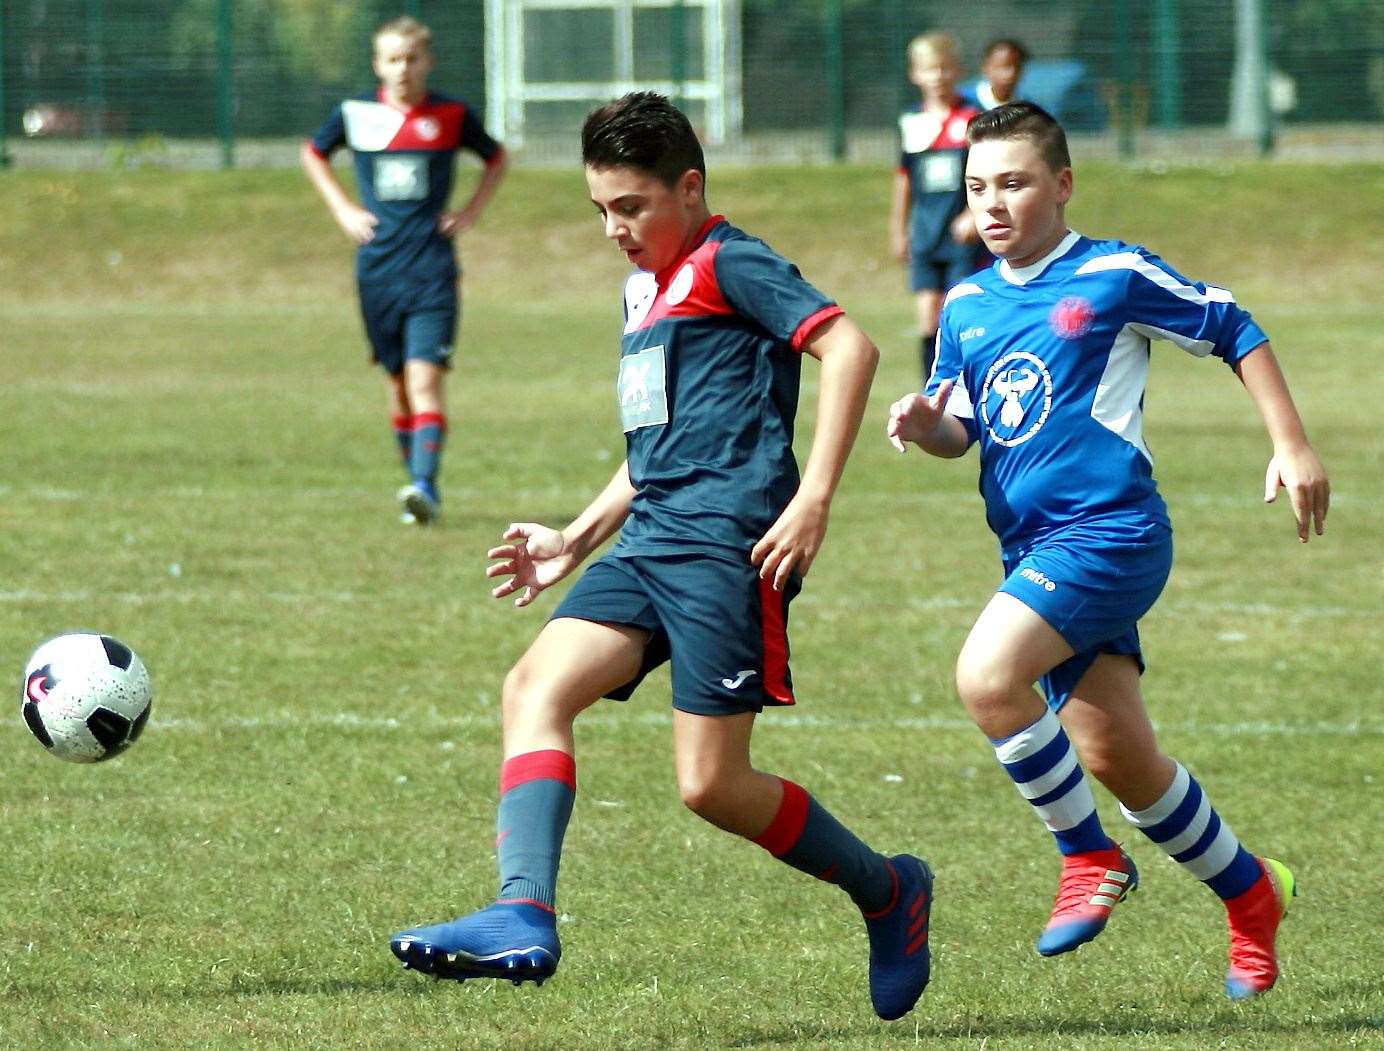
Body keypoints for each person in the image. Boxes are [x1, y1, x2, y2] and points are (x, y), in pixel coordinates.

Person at [388, 92, 934, 1022]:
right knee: (534, 688)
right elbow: (654, 447)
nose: (615, 229)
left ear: (689, 187)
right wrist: (573, 538)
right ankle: (523, 909)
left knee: (710, 784)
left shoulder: (733, 260)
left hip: (728, 546)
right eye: (601, 209)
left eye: (632, 206)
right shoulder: (642, 290)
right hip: (651, 540)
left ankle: (890, 890)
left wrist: (814, 498)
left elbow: (852, 347)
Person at [885, 101, 1329, 1000]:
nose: (993, 203)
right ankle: (1251, 894)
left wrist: (1292, 442)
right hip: (1032, 551)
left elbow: (1231, 323)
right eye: (978, 187)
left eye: (1013, 182)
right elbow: (963, 429)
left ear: (1062, 184)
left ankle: (1089, 857)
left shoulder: (1112, 273)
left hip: (1112, 532)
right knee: (1117, 756)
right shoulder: (967, 303)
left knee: (984, 676)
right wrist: (927, 423)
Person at [301, 16, 508, 525]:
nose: (403, 69)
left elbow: (497, 158)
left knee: (424, 383)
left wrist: (471, 211)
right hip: (377, 271)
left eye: (413, 58)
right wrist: (343, 210)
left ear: (428, 62)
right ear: (378, 65)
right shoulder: (356, 115)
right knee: (397, 385)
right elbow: (312, 153)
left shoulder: (453, 116)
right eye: (393, 59)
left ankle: (424, 486)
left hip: (433, 269)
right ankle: (417, 485)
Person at [890, 32, 986, 383]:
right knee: (927, 314)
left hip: (960, 236)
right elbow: (904, 180)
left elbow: (986, 171)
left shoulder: (973, 117)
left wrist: (973, 214)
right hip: (925, 234)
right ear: (915, 74)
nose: (938, 76)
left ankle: (965, 382)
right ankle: (932, 390)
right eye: (930, 69)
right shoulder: (911, 122)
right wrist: (898, 231)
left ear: (958, 71)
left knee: (958, 312)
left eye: (945, 69)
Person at [964, 38, 1030, 112]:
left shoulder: (1027, 110)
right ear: (985, 68)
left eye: (1017, 67)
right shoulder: (964, 103)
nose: (1011, 74)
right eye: (1004, 66)